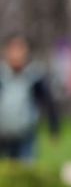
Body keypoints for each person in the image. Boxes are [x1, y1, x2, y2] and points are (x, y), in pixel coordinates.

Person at [0, 32, 61, 162]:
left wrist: (54, 128)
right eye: (13, 49)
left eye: (20, 49)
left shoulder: (34, 76)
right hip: (3, 135)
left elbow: (49, 102)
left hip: (26, 135)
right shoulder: (2, 75)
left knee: (25, 167)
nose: (16, 54)